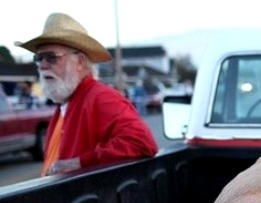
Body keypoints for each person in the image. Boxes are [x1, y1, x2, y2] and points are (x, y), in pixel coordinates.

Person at [14, 12, 158, 176]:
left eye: (51, 57)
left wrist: (80, 163)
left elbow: (142, 143)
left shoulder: (101, 97)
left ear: (80, 62)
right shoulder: (66, 102)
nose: (43, 65)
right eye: (39, 58)